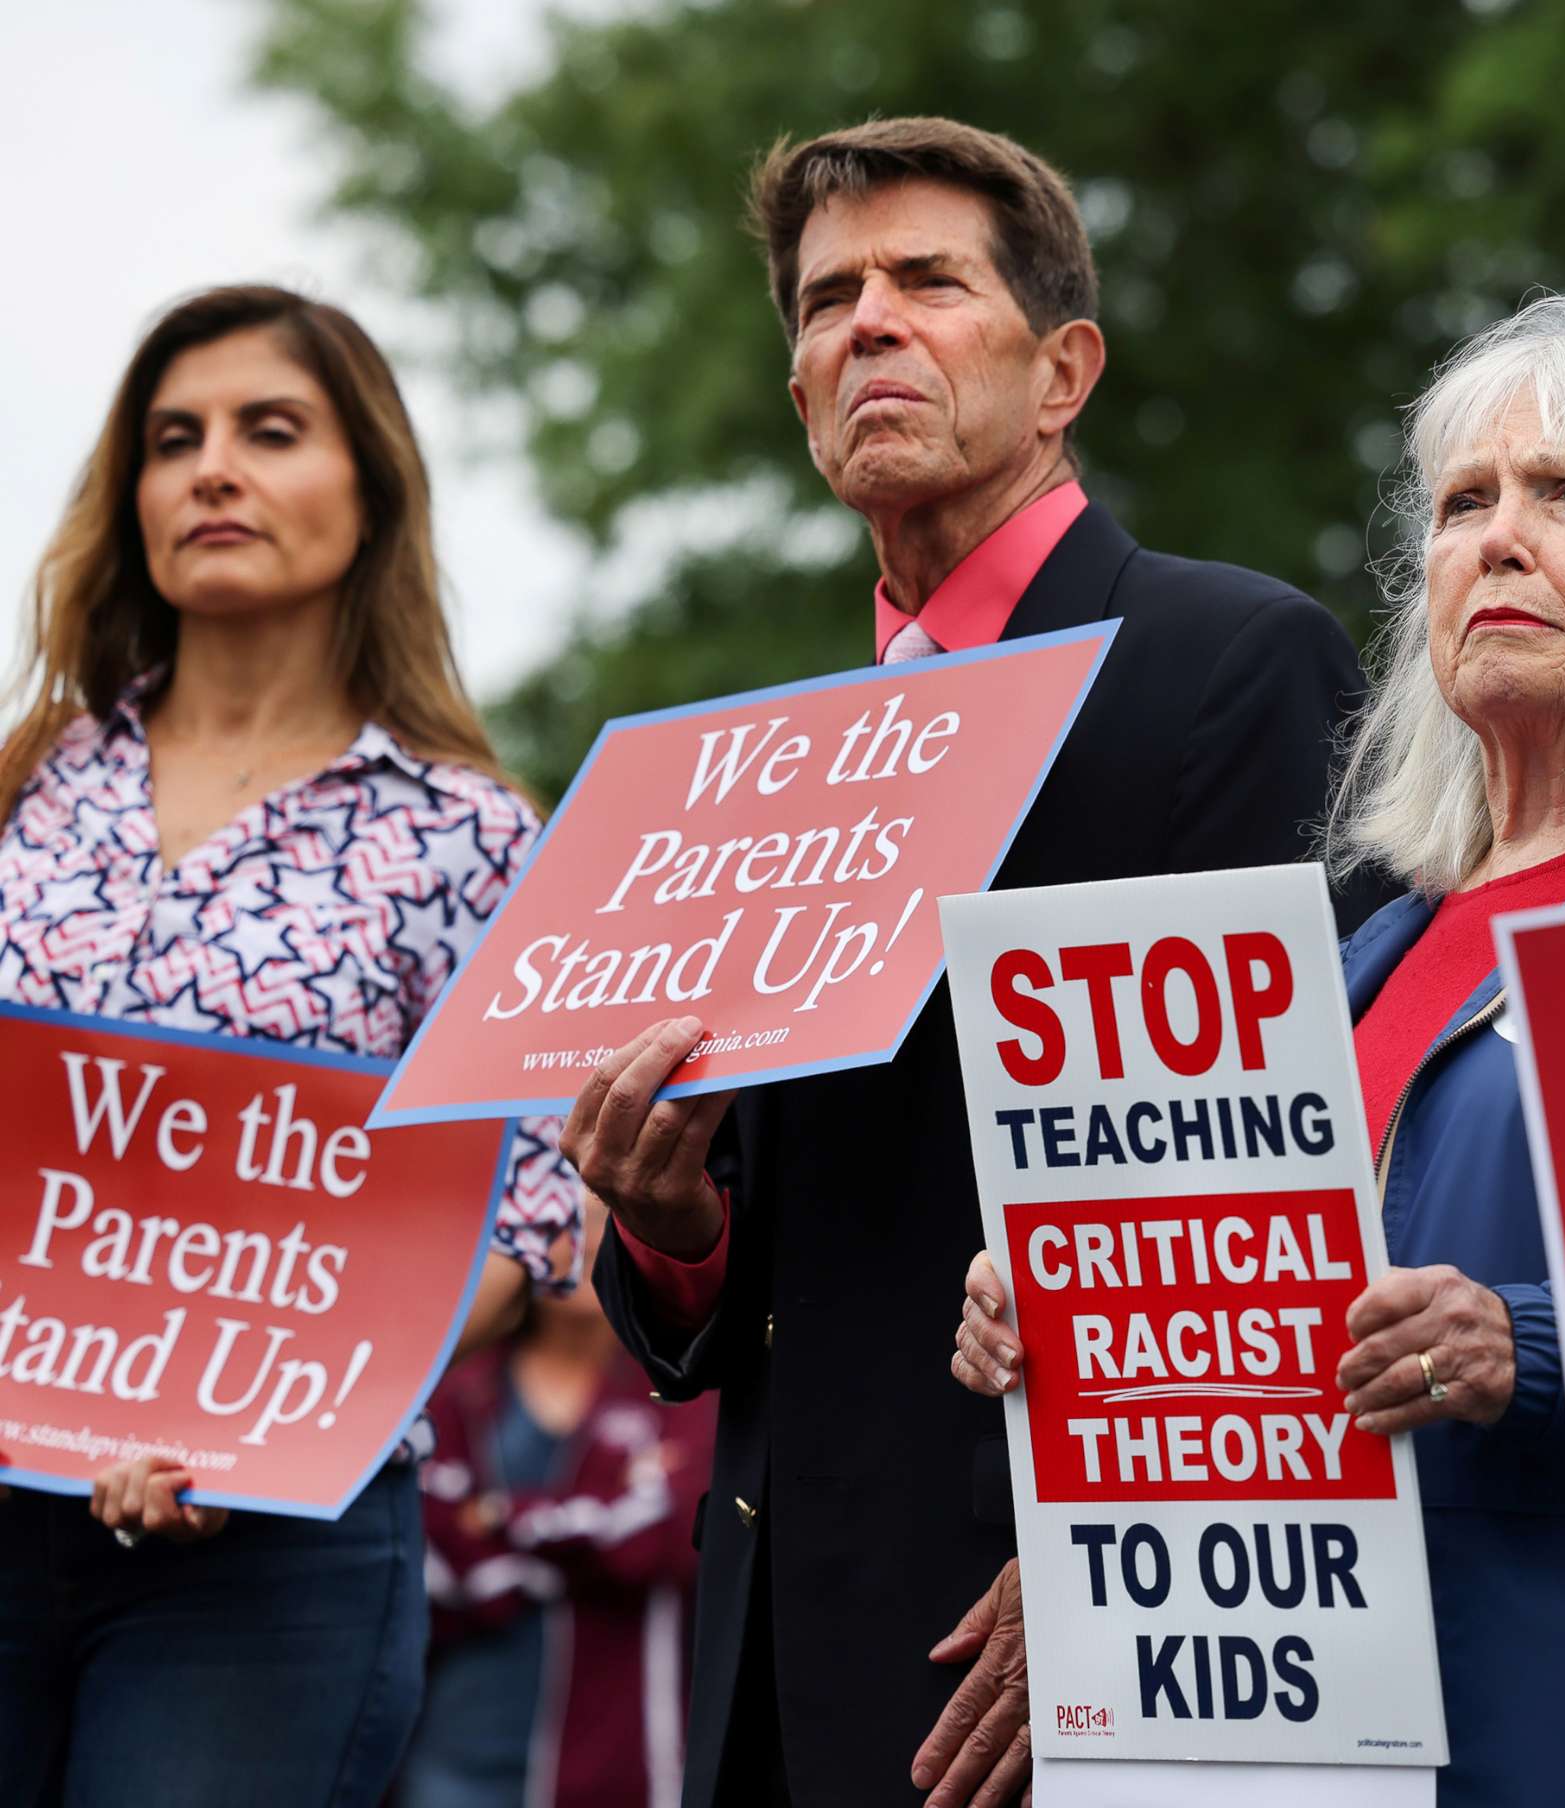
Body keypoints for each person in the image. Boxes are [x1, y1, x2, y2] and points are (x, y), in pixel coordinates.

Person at [570, 117, 1382, 1808]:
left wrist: (1116, 1554)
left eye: (927, 281)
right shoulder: (775, 771)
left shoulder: (1226, 663)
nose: (866, 323)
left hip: (1063, 1648)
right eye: (825, 300)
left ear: (1062, 365)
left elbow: (1275, 1186)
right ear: (798, 392)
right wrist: (677, 1235)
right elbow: (764, 1282)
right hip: (774, 1664)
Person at [951, 292, 1565, 1805]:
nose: (1500, 537)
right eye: (1466, 503)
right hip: (1301, 1753)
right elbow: (1237, 1337)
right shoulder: (1347, 964)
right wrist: (1069, 1309)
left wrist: (1520, 1344)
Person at [0, 284, 584, 1805]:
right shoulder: (24, 787)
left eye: (271, 431)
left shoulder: (470, 835)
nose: (212, 469)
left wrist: (242, 1426)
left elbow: (526, 1214)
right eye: (173, 438)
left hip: (269, 1569)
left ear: (370, 489)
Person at [397, 1202, 715, 1808]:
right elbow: (428, 1547)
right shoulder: (455, 1388)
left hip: (625, 1769)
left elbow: (669, 1537)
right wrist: (585, 1536)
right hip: (455, 1761)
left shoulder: (678, 1391)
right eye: (559, 1221)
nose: (586, 1241)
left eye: (606, 1220)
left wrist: (496, 1518)